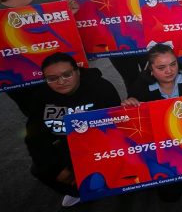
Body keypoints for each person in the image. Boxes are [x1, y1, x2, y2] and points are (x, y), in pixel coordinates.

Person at [25, 52, 120, 208]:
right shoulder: (41, 96)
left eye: (67, 75)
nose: (61, 81)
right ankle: (78, 192)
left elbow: (116, 126)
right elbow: (34, 137)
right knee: (40, 169)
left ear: (77, 71)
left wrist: (82, 165)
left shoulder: (101, 88)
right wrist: (58, 167)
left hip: (102, 143)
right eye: (52, 78)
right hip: (67, 146)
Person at [121, 43, 182, 201]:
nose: (169, 71)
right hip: (162, 144)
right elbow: (133, 128)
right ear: (151, 70)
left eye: (173, 64)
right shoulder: (140, 87)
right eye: (161, 67)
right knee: (170, 196)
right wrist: (129, 106)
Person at [0, 0, 71, 116]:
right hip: (14, 71)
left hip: (52, 67)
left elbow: (64, 28)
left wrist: (71, 12)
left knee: (61, 109)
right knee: (33, 113)